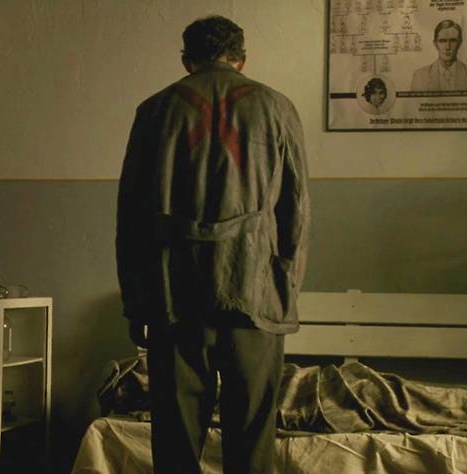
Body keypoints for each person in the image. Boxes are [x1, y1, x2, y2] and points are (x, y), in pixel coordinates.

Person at [116, 14, 310, 474]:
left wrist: (135, 303)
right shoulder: (277, 107)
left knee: (176, 439)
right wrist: (285, 288)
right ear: (242, 59)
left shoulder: (155, 110)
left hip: (174, 295)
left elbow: (131, 217)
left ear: (187, 60)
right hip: (254, 292)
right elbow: (296, 209)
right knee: (252, 436)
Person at [410, 19, 467, 91]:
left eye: (453, 41)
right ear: (435, 44)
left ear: (459, 43)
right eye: (442, 41)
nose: (448, 47)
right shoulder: (420, 76)